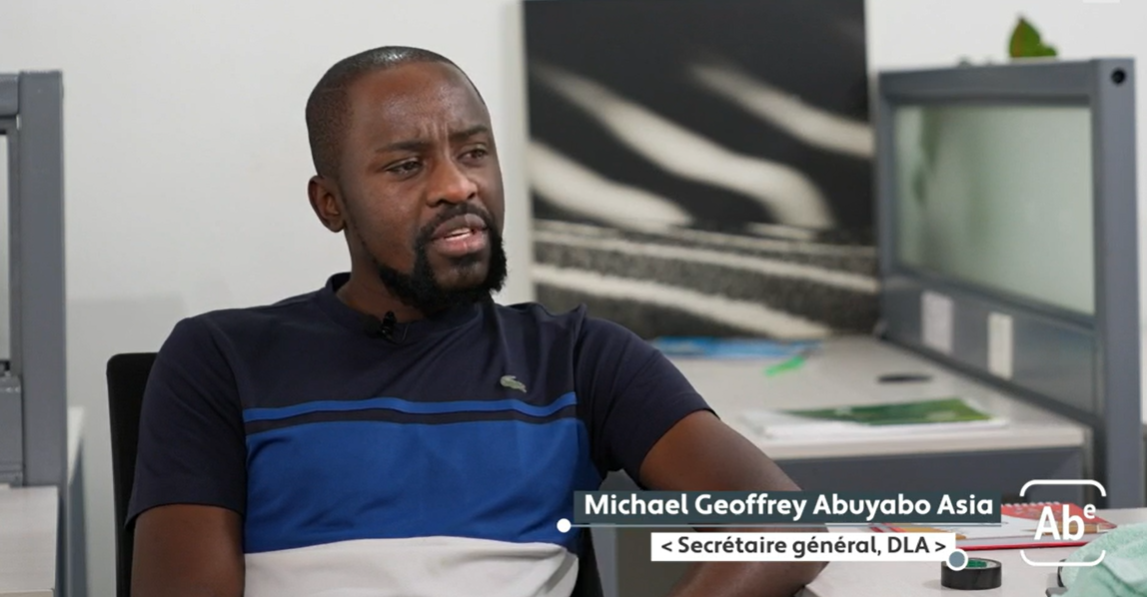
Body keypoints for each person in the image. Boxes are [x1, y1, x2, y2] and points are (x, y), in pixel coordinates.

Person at [128, 46, 825, 597]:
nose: (456, 186)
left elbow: (789, 525)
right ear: (330, 203)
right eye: (406, 164)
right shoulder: (221, 358)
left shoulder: (578, 356)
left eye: (473, 152)